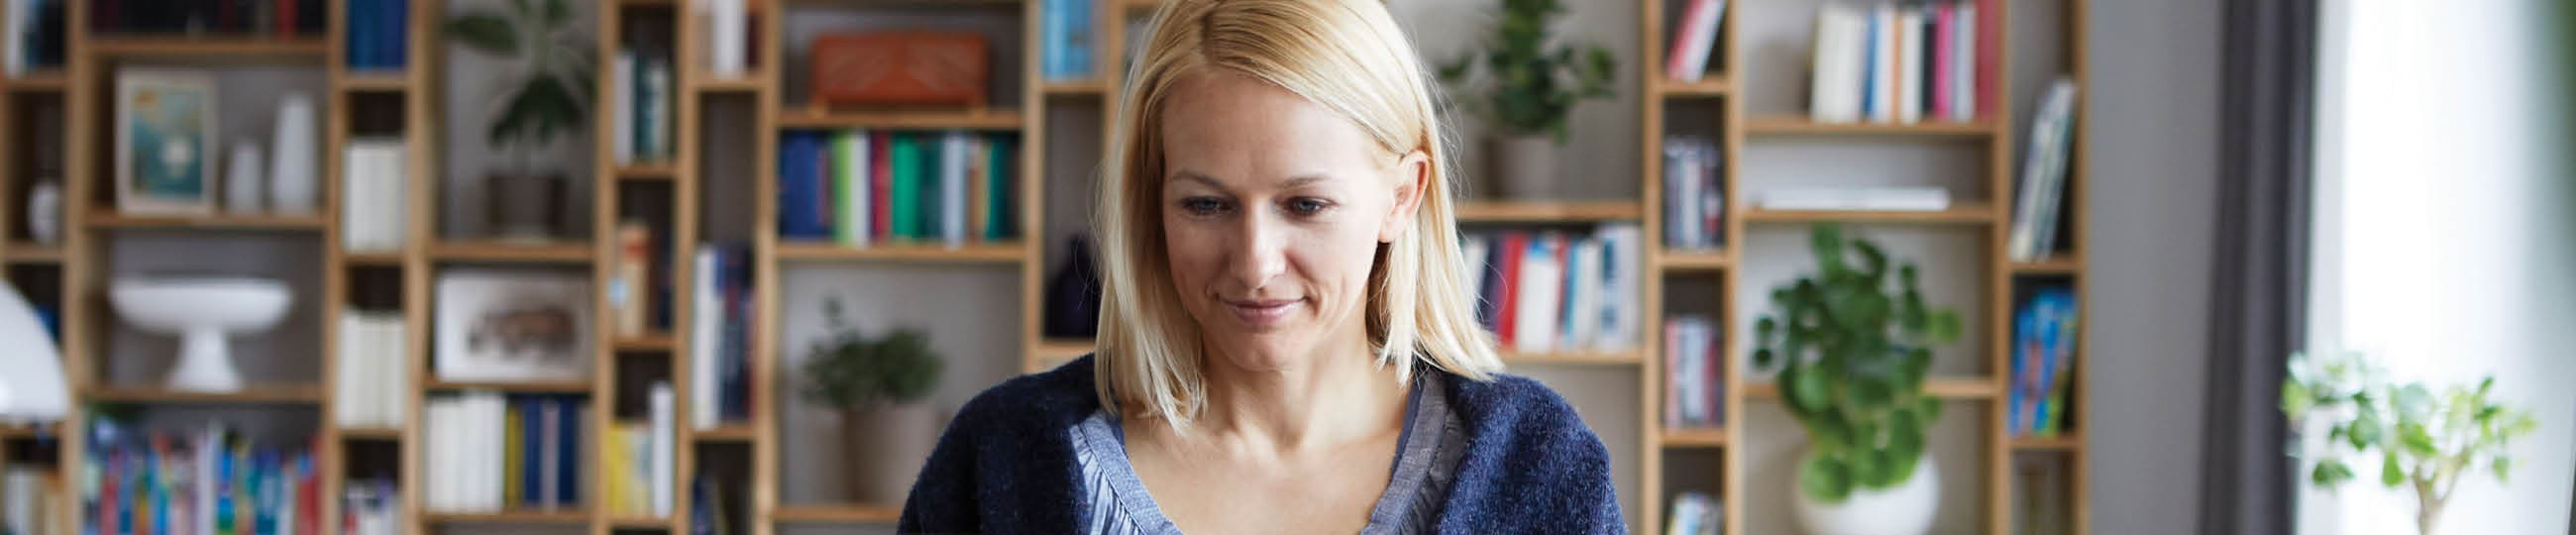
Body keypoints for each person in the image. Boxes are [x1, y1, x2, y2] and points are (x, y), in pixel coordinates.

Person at [898, 0, 1622, 532]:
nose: (1253, 264)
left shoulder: (1536, 464)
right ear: (1152, 203)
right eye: (1206, 206)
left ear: (1402, 198)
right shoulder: (998, 460)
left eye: (1305, 205)